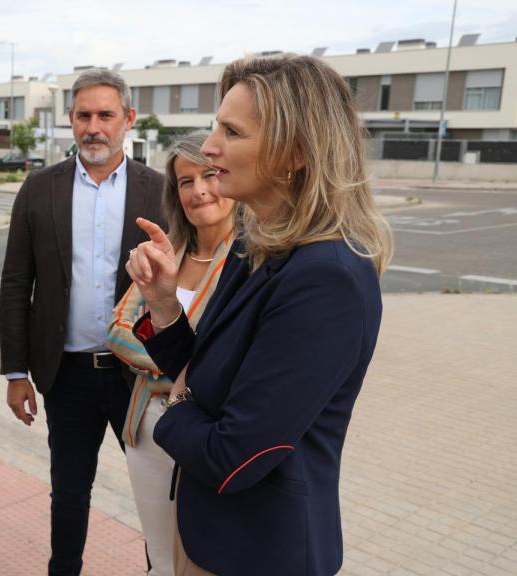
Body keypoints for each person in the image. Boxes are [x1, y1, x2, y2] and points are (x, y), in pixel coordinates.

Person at [126, 54, 393, 575]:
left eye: (231, 131)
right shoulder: (257, 244)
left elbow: (234, 454)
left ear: (293, 152)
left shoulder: (328, 276)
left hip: (260, 553)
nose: (209, 146)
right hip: (212, 536)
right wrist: (161, 303)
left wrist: (171, 407)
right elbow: (206, 369)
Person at [0, 68, 166, 575]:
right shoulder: (38, 188)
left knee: (156, 496)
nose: (94, 127)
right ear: (70, 120)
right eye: (84, 115)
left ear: (128, 119)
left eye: (106, 115)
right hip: (65, 375)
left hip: (138, 376)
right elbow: (15, 282)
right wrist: (15, 372)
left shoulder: (158, 189)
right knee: (69, 493)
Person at [105, 130, 235, 576]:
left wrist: (167, 350)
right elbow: (118, 330)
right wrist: (178, 362)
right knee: (160, 557)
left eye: (209, 174)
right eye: (185, 181)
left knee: (203, 556)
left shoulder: (247, 260)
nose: (199, 190)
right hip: (147, 429)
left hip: (205, 432)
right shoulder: (168, 251)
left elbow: (225, 356)